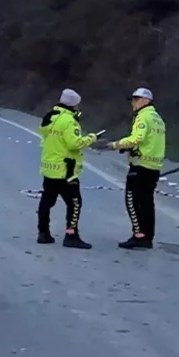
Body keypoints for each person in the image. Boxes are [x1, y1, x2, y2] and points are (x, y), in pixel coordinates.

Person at [101, 87, 166, 250]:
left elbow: (137, 138)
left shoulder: (143, 117)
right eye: (132, 100)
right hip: (154, 167)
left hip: (140, 166)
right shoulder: (158, 118)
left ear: (146, 101)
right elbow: (150, 142)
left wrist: (116, 145)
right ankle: (147, 237)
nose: (133, 103)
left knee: (132, 201)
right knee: (147, 203)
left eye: (136, 99)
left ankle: (138, 236)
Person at [37, 89, 99, 248]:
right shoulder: (70, 122)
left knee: (46, 201)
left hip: (49, 167)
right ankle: (71, 236)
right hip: (66, 170)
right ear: (75, 105)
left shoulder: (49, 117)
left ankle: (43, 233)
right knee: (75, 203)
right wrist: (91, 138)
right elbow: (74, 144)